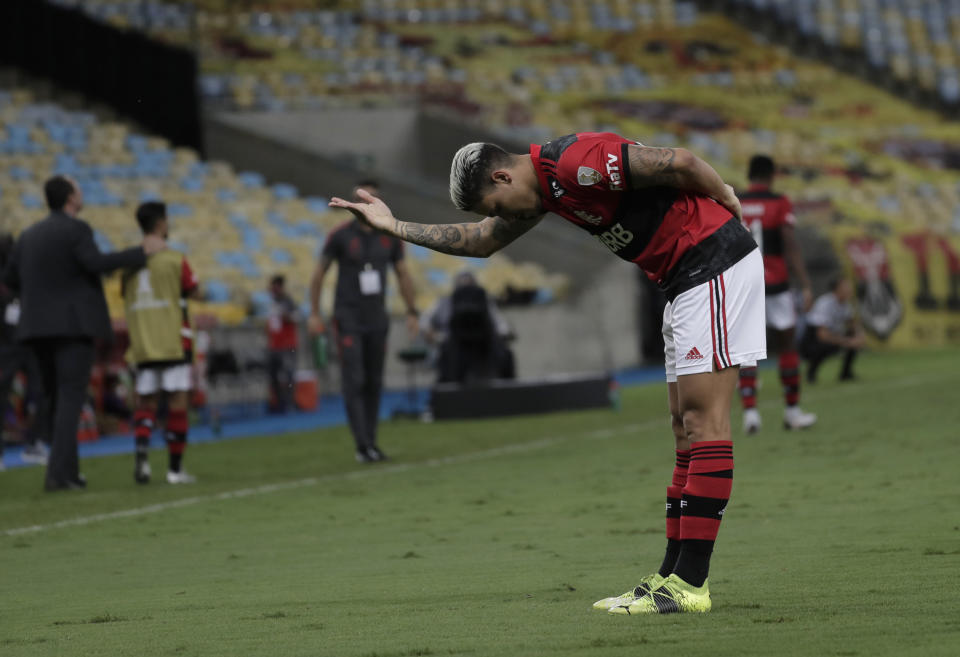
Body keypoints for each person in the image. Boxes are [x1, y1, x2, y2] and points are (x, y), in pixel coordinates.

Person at [330, 133, 764, 614]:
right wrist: (392, 226)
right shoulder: (545, 192)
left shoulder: (577, 163)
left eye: (497, 204)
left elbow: (678, 161)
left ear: (503, 176)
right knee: (684, 428)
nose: (505, 216)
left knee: (703, 422)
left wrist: (724, 197)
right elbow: (480, 242)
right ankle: (669, 575)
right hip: (681, 279)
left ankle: (691, 584)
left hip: (713, 261)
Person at [2, 176, 163, 491]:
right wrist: (140, 252)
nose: (82, 193)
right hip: (72, 328)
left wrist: (39, 298)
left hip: (36, 329)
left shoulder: (29, 234)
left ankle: (68, 472)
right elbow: (96, 263)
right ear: (70, 199)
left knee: (54, 398)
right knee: (71, 399)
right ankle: (58, 475)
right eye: (78, 189)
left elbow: (10, 277)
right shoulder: (76, 229)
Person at [309, 180, 420, 464]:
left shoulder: (389, 236)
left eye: (374, 199)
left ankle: (371, 442)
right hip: (348, 317)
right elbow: (319, 273)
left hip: (377, 318)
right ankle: (362, 445)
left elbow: (403, 273)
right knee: (355, 379)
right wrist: (314, 314)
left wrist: (411, 311)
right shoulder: (340, 236)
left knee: (373, 381)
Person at [122, 201, 201, 485]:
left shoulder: (128, 266)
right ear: (160, 224)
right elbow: (196, 291)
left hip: (143, 342)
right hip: (171, 340)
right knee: (178, 404)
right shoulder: (174, 260)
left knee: (146, 404)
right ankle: (174, 470)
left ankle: (142, 458)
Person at [737, 155, 817, 433]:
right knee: (786, 346)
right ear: (771, 175)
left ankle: (751, 415)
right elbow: (790, 243)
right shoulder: (779, 202)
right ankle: (792, 413)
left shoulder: (736, 202)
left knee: (747, 351)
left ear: (749, 174)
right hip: (777, 283)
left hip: (745, 284)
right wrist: (805, 283)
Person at [0, 232, 48, 469]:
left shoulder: (26, 280)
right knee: (36, 392)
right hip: (15, 345)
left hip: (24, 344)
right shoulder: (13, 283)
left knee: (39, 392)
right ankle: (35, 442)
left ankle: (36, 442)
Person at [421, 270, 515, 383]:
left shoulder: (486, 303)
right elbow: (424, 322)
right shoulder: (442, 302)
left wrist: (502, 334)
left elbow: (501, 326)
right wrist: (434, 336)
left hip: (484, 349)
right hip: (452, 346)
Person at [800, 278, 864, 383]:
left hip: (830, 336)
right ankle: (811, 373)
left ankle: (846, 373)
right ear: (837, 289)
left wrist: (859, 336)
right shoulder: (825, 304)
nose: (849, 289)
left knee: (852, 338)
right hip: (811, 341)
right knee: (824, 346)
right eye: (846, 286)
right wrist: (847, 342)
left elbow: (852, 325)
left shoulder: (846, 304)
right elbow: (822, 335)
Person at [266, 274, 299, 414]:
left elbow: (296, 318)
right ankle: (278, 403)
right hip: (274, 345)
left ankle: (290, 403)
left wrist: (284, 315)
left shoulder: (288, 301)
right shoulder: (272, 302)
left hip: (288, 345)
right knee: (273, 375)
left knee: (289, 374)